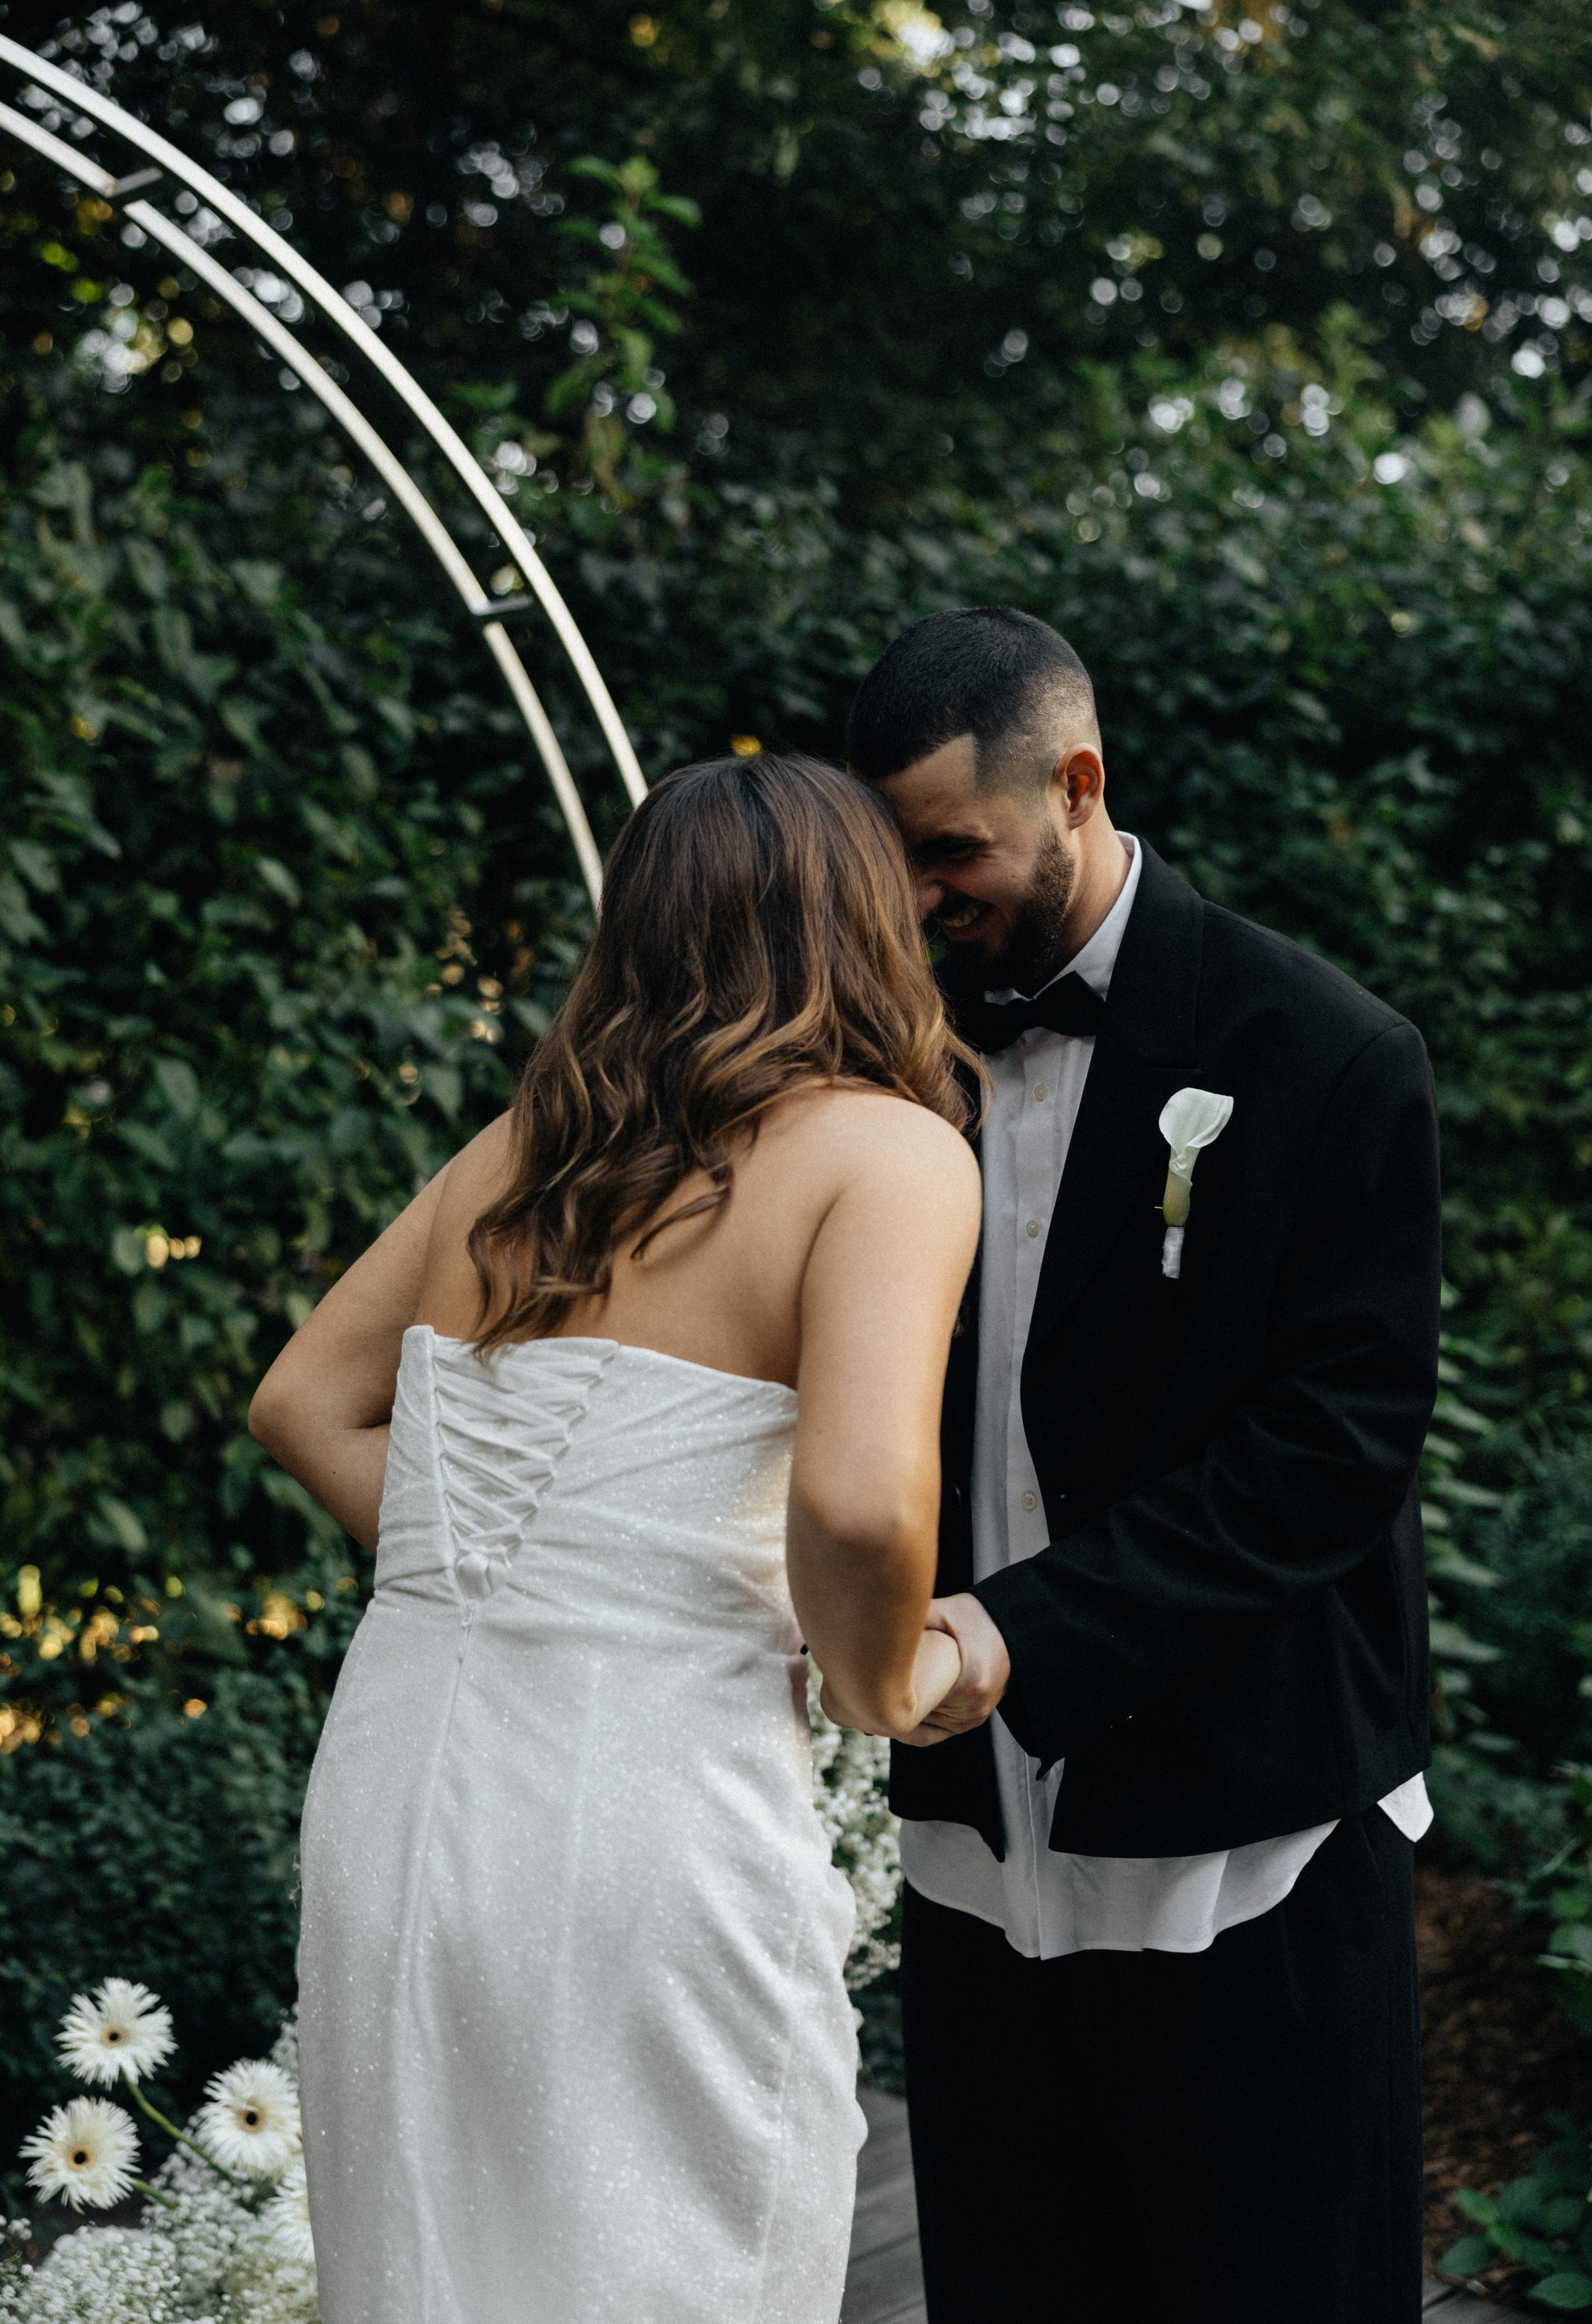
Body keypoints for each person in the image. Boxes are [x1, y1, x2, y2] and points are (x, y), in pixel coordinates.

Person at [248, 754, 982, 2324]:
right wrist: (880, 1685)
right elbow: (858, 1503)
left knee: (436, 2257)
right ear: (857, 922)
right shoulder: (886, 1153)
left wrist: (494, 1581)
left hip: (397, 1789)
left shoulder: (517, 1153)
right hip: (649, 1808)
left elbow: (302, 1402)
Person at [843, 606, 1442, 2324]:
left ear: (1080, 782)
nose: (916, 899)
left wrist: (1017, 1635)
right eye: (889, 859)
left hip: (1244, 1850)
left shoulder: (1328, 1056)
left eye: (949, 849)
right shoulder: (880, 1060)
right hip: (976, 1863)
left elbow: (1330, 1454)